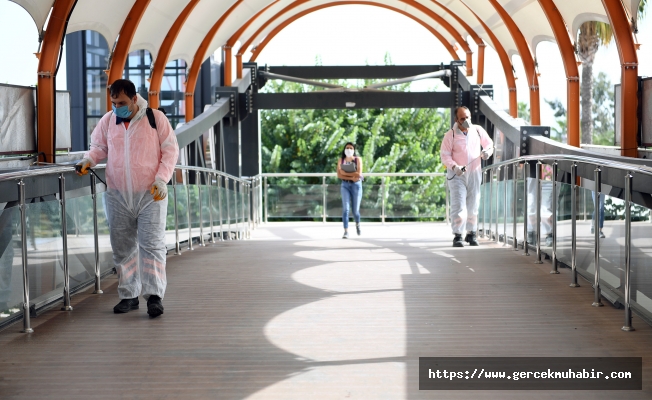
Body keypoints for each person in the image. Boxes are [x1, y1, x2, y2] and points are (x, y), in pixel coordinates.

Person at [76, 79, 179, 318]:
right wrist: (88, 160)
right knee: (122, 247)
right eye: (113, 103)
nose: (117, 107)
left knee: (151, 245)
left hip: (150, 194)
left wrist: (162, 179)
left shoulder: (155, 119)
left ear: (134, 99)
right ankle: (129, 295)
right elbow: (99, 147)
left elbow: (171, 150)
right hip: (118, 194)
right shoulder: (108, 121)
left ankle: (154, 296)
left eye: (121, 102)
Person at [440, 106, 494, 247]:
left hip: (474, 172)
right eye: (463, 118)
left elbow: (489, 144)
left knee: (473, 203)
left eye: (468, 117)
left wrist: (487, 152)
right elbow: (444, 155)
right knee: (459, 205)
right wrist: (454, 166)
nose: (466, 121)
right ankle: (458, 235)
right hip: (457, 174)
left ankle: (471, 233)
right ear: (456, 119)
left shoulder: (477, 130)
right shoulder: (450, 135)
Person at [337, 142, 363, 239]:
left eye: (351, 148)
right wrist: (352, 176)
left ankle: (357, 223)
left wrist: (345, 173)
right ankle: (346, 231)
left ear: (354, 150)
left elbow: (359, 174)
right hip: (345, 185)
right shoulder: (341, 160)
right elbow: (339, 175)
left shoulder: (358, 160)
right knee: (346, 209)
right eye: (347, 148)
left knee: (355, 210)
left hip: (356, 186)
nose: (348, 149)